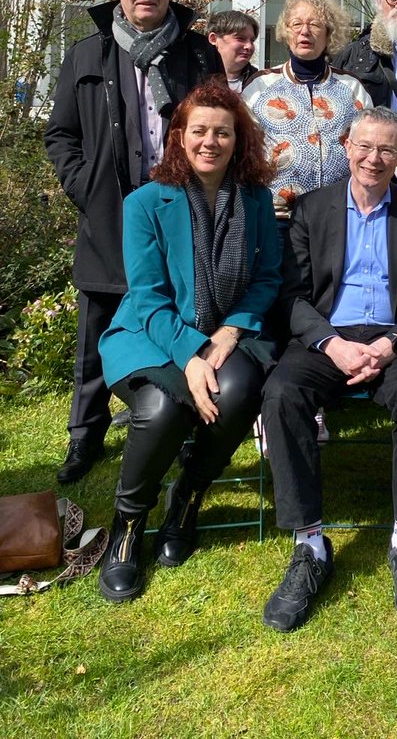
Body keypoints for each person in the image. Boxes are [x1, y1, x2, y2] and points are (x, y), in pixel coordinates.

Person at [260, 107, 397, 632]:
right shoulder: (312, 209)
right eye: (365, 146)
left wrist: (391, 345)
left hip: (393, 340)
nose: (374, 158)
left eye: (388, 149)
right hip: (328, 338)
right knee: (281, 393)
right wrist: (332, 344)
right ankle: (310, 545)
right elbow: (292, 296)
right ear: (346, 147)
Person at [96, 82, 281, 602]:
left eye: (223, 132)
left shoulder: (256, 199)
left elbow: (267, 277)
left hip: (232, 333)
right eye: (199, 130)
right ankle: (128, 527)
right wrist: (192, 354)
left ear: (238, 140)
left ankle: (187, 500)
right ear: (179, 137)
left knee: (238, 394)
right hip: (153, 335)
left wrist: (227, 333)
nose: (210, 141)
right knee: (160, 409)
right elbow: (148, 296)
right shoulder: (146, 203)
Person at [44, 0, 223, 484]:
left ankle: (186, 424)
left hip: (178, 212)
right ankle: (86, 437)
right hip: (110, 214)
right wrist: (84, 185)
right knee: (98, 323)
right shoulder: (87, 53)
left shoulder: (196, 55)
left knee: (180, 315)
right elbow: (61, 134)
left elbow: (217, 125)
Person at [243, 0, 372, 224]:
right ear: (286, 31)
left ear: (328, 33)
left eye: (314, 24)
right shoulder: (260, 86)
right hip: (276, 217)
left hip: (339, 216)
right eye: (297, 24)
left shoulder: (351, 86)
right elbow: (242, 149)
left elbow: (369, 146)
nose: (305, 31)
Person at [207, 9, 259, 92]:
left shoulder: (259, 82)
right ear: (213, 39)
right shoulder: (195, 79)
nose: (249, 46)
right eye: (240, 38)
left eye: (252, 40)